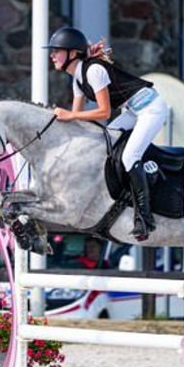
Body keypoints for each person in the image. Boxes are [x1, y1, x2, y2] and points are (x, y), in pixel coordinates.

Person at [44, 26, 168, 241]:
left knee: (130, 156)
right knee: (106, 142)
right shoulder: (77, 79)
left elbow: (104, 112)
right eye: (52, 51)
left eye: (57, 51)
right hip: (132, 111)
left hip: (151, 108)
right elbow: (76, 116)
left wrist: (69, 116)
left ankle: (144, 218)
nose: (52, 55)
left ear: (72, 54)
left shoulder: (93, 71)